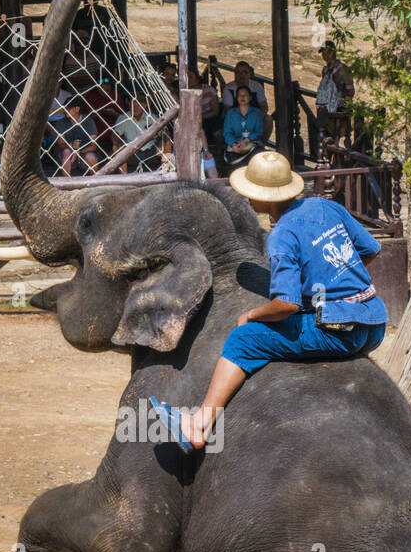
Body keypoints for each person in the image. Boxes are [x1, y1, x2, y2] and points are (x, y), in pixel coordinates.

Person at [153, 151, 388, 451]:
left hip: (341, 330)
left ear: (267, 198)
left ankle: (198, 425)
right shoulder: (326, 207)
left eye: (253, 192)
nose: (249, 199)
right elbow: (371, 248)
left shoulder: (280, 237)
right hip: (374, 322)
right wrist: (334, 282)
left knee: (243, 340)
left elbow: (286, 305)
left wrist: (252, 315)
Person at [315, 41, 354, 142]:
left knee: (336, 135)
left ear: (334, 53)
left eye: (329, 52)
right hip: (326, 108)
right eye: (323, 53)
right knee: (326, 136)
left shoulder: (343, 69)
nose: (326, 56)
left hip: (340, 108)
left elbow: (351, 92)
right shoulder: (325, 70)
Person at [221, 85, 264, 173]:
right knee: (236, 165)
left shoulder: (256, 113)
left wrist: (246, 141)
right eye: (240, 95)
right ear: (236, 98)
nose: (242, 97)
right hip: (236, 146)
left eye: (245, 95)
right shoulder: (231, 113)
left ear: (250, 98)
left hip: (252, 145)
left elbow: (259, 130)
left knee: (258, 161)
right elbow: (227, 132)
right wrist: (233, 144)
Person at [112, 97, 159, 172]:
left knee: (166, 140)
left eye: (138, 106)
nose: (135, 108)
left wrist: (156, 134)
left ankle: (166, 169)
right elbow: (115, 135)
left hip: (151, 150)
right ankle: (124, 177)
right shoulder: (123, 117)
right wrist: (119, 143)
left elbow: (163, 131)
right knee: (116, 147)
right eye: (133, 106)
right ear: (129, 106)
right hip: (132, 152)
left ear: (144, 106)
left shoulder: (151, 117)